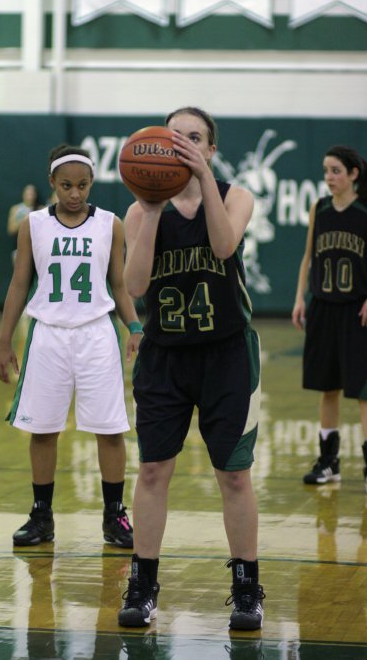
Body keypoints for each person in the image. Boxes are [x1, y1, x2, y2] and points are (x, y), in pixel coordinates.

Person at [117, 107, 265, 630]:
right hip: (165, 358)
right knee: (154, 470)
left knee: (234, 476)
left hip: (226, 355)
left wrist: (202, 179)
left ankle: (247, 587)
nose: (182, 145)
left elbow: (224, 247)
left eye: (194, 138)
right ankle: (143, 583)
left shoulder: (236, 197)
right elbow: (135, 288)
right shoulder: (139, 212)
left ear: (211, 148)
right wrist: (153, 210)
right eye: (173, 137)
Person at [0, 144, 142, 548]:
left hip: (96, 333)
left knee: (110, 429)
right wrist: (5, 341)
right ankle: (42, 516)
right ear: (52, 183)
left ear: (91, 182)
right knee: (43, 430)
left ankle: (115, 516)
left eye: (82, 185)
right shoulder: (33, 224)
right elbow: (20, 284)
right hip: (47, 334)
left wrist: (134, 326)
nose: (74, 193)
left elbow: (119, 283)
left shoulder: (110, 223)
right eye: (65, 186)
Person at [292, 145, 367, 495]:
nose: (329, 177)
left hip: (359, 311)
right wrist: (299, 299)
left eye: (336, 170)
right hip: (324, 308)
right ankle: (329, 462)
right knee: (328, 387)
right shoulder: (319, 208)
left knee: (365, 392)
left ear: (353, 174)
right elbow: (308, 256)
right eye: (325, 170)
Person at [7, 184, 40, 262]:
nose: (30, 196)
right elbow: (11, 230)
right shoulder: (16, 209)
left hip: (37, 249)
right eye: (28, 194)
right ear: (23, 195)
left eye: (32, 194)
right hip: (19, 249)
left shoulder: (41, 210)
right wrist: (25, 219)